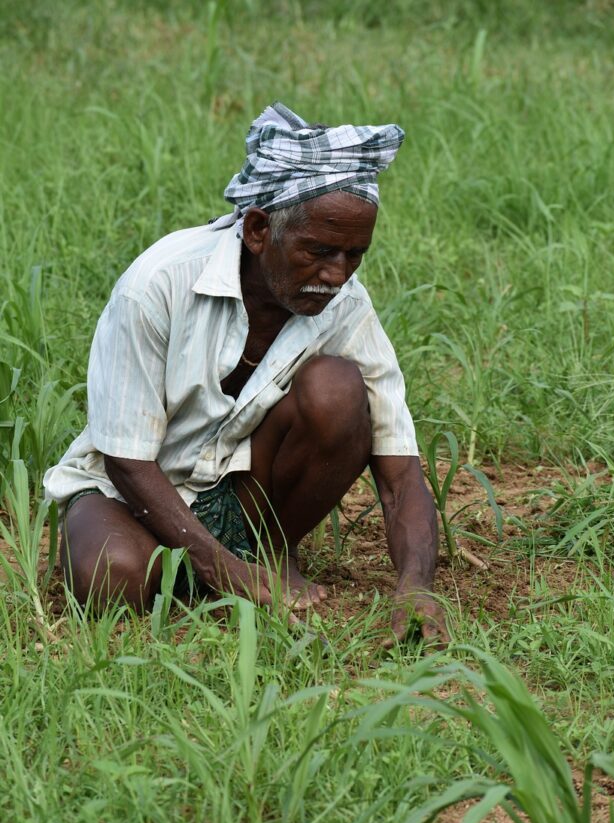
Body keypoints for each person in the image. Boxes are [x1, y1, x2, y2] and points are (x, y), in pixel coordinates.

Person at [44, 102, 448, 645]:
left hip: (243, 498)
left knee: (337, 390)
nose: (336, 274)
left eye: (355, 255)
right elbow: (125, 456)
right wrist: (218, 566)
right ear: (258, 230)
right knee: (110, 576)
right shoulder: (160, 283)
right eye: (319, 251)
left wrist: (416, 585)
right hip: (131, 493)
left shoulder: (345, 305)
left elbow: (401, 477)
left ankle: (269, 554)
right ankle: (220, 573)